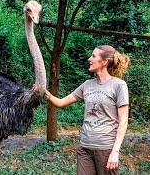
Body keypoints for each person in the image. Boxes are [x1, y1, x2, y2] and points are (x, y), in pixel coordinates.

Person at [45, 45, 130, 175]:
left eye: (94, 56)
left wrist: (115, 152)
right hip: (85, 147)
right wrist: (45, 93)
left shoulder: (118, 85)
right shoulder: (87, 85)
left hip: (105, 148)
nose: (89, 59)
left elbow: (123, 122)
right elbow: (61, 102)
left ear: (105, 62)